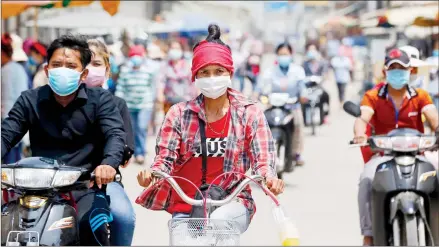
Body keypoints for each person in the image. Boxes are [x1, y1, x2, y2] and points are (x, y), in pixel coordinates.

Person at [136, 24, 284, 233]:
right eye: (204, 72)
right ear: (195, 76)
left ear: (229, 72)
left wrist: (269, 177)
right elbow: (165, 158)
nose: (212, 77)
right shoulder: (178, 114)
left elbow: (263, 158)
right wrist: (153, 174)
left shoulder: (250, 113)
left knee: (221, 222)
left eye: (218, 71)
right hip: (187, 205)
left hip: (233, 202)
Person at [1, 34, 126, 246]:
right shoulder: (29, 99)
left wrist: (108, 164)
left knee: (91, 225)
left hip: (84, 187)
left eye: (70, 65)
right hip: (34, 189)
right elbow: (6, 133)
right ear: (47, 70)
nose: (63, 70)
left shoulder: (101, 100)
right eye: (57, 64)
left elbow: (115, 134)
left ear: (83, 73)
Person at [353, 48, 439, 246]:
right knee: (367, 179)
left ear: (410, 71)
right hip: (384, 155)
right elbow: (362, 117)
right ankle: (369, 234)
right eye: (394, 68)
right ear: (385, 72)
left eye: (402, 68)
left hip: (418, 153)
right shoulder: (372, 96)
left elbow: (433, 116)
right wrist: (359, 134)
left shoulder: (421, 96)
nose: (398, 72)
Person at [83, 39, 136, 246]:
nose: (90, 68)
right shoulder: (61, 102)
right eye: (85, 62)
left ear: (107, 71)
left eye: (96, 64)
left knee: (123, 217)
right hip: (64, 181)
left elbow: (126, 148)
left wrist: (108, 164)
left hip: (105, 182)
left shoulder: (117, 104)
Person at [256, 42, 307, 168]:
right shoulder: (270, 71)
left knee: (298, 125)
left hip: (291, 106)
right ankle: (259, 153)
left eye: (286, 54)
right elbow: (261, 86)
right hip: (273, 105)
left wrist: (303, 96)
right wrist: (258, 95)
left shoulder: (298, 71)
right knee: (260, 123)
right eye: (280, 54)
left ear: (291, 55)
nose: (283, 56)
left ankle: (297, 153)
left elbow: (302, 88)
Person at [116, 45, 158, 164]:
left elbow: (152, 87)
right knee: (132, 129)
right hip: (129, 105)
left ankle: (141, 152)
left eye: (138, 55)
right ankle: (133, 151)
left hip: (144, 105)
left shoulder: (148, 71)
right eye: (134, 55)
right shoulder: (125, 71)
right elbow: (120, 87)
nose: (136, 58)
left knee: (141, 127)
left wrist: (151, 102)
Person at [1, 33, 29, 164]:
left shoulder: (6, 71)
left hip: (9, 121)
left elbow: (6, 99)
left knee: (9, 162)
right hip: (20, 120)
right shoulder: (18, 68)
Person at [159, 40, 197, 114]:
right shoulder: (165, 65)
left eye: (177, 48)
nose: (174, 51)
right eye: (172, 48)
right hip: (169, 100)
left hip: (186, 100)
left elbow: (193, 83)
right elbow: (161, 82)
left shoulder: (188, 65)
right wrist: (160, 94)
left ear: (181, 50)